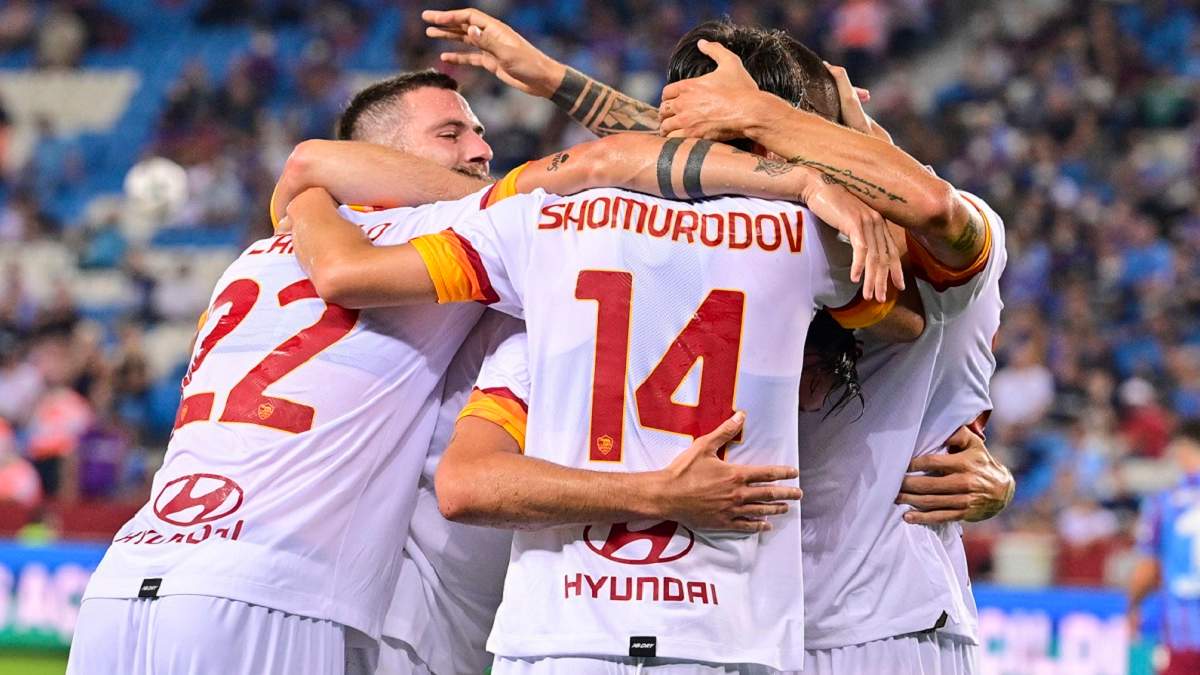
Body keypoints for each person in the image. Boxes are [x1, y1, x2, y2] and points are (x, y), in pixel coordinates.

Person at [68, 70, 805, 675]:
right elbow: (599, 170)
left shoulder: (254, 257)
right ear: (376, 159)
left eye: (480, 132)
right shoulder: (454, 232)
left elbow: (305, 173)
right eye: (451, 134)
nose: (482, 149)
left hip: (128, 575)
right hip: (284, 590)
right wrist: (798, 177)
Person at [421, 8, 1015, 672]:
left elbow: (930, 209)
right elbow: (701, 161)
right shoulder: (775, 229)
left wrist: (765, 116)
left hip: (882, 616)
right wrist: (558, 81)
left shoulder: (934, 232)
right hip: (752, 619)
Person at [1129, 421, 1200, 675]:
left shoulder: (1164, 502)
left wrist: (1133, 606)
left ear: (1182, 450)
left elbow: (1147, 568)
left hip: (1185, 634)